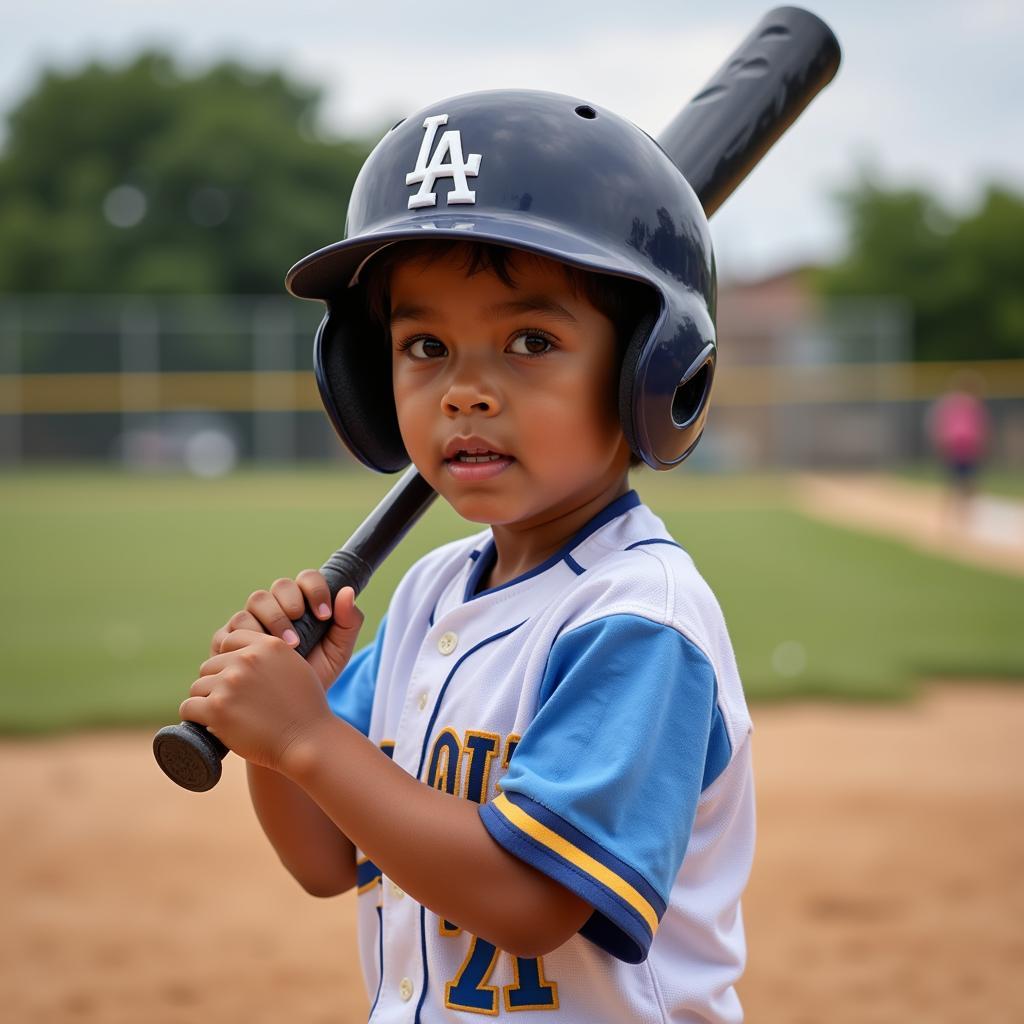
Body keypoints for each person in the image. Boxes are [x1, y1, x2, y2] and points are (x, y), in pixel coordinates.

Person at [178, 91, 754, 1022]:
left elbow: (531, 903)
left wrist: (308, 738)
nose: (467, 391)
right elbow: (327, 858)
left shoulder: (639, 618)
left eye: (531, 342)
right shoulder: (430, 592)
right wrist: (277, 734)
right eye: (426, 346)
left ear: (647, 370)